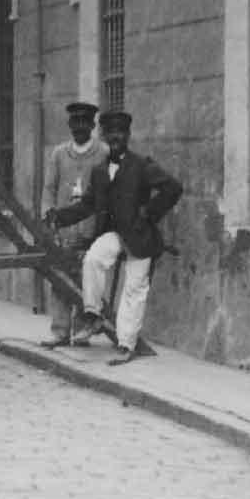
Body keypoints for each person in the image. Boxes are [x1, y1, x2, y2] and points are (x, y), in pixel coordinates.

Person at [48, 109, 182, 366]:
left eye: (120, 132)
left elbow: (173, 188)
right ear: (104, 135)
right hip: (116, 234)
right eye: (110, 133)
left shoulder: (142, 165)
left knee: (134, 288)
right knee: (93, 259)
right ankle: (93, 314)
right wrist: (59, 217)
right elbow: (87, 205)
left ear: (128, 135)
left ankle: (126, 345)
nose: (115, 137)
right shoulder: (99, 171)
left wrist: (149, 213)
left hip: (141, 238)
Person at [39, 100, 107, 348]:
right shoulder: (58, 154)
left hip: (90, 227)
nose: (79, 127)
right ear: (69, 125)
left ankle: (81, 331)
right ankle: (59, 330)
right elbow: (48, 189)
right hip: (64, 227)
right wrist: (49, 218)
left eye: (84, 122)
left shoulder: (103, 152)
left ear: (92, 125)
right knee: (59, 279)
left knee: (85, 279)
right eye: (75, 122)